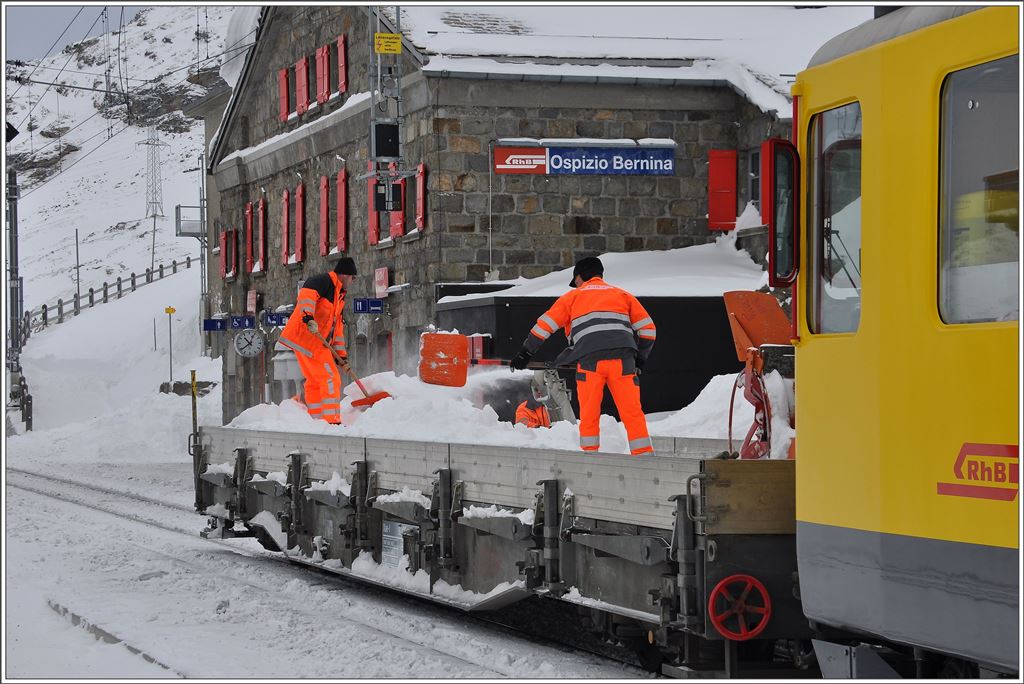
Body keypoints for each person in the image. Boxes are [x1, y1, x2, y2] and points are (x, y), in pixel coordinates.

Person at [510, 256, 656, 455]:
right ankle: (644, 456)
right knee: (632, 413)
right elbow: (648, 330)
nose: (575, 284)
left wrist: (525, 353)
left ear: (580, 276)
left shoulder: (572, 298)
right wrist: (640, 360)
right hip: (623, 362)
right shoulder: (623, 295)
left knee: (589, 414)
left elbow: (544, 326)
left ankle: (590, 457)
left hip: (590, 363)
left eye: (575, 280)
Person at [279, 257, 357, 424]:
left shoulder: (339, 297)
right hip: (309, 338)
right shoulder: (324, 282)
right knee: (331, 378)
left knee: (315, 381)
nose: (353, 281)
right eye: (353, 277)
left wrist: (341, 357)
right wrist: (308, 317)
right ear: (345, 275)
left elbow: (337, 330)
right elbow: (307, 294)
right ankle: (332, 421)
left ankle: (316, 419)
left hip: (307, 341)